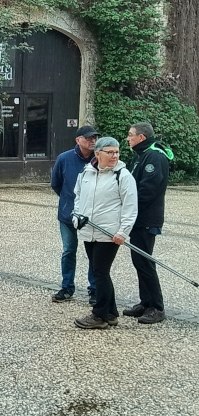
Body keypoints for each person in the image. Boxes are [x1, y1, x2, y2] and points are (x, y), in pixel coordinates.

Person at [72, 137, 138, 329]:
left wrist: (123, 232)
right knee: (99, 271)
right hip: (88, 230)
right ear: (98, 153)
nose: (114, 156)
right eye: (110, 152)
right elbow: (78, 196)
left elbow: (130, 207)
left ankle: (99, 315)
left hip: (108, 233)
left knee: (100, 272)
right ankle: (110, 312)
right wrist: (76, 217)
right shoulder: (86, 173)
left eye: (117, 152)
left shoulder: (123, 176)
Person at [124, 122, 172, 324]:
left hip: (146, 218)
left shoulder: (154, 156)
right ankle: (145, 302)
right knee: (139, 261)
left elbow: (147, 190)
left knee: (145, 261)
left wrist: (128, 207)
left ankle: (156, 307)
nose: (128, 138)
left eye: (130, 135)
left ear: (141, 137)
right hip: (137, 217)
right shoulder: (140, 154)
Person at [49, 125, 99, 301]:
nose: (93, 141)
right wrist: (68, 202)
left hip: (91, 217)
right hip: (68, 215)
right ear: (78, 140)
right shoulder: (64, 158)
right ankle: (67, 287)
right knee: (69, 250)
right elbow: (56, 184)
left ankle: (94, 289)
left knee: (93, 253)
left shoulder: (100, 158)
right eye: (88, 138)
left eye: (95, 138)